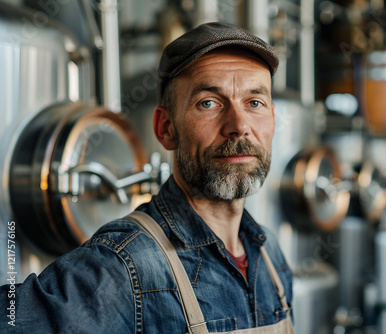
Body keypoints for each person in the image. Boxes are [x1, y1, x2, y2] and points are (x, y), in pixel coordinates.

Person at [1, 22, 294, 333]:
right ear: (165, 128)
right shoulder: (125, 263)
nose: (238, 124)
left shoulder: (268, 252)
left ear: (273, 119)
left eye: (255, 103)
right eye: (209, 103)